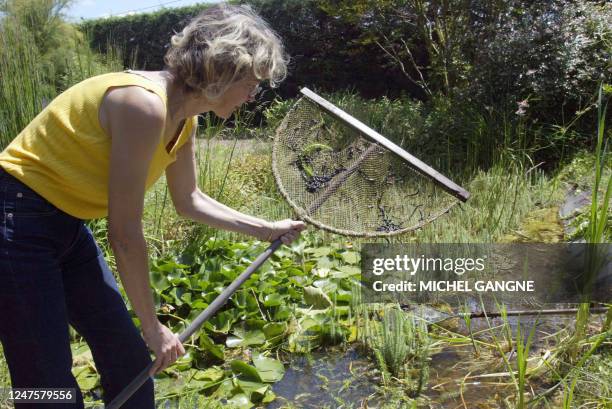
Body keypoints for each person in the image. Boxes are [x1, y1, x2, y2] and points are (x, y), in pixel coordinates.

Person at [0, 4, 305, 408]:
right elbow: (125, 236)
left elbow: (189, 200)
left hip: (66, 224)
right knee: (46, 383)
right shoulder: (142, 104)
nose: (253, 95)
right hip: (15, 221)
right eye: (251, 82)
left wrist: (264, 228)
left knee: (127, 360)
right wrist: (153, 326)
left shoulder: (186, 120)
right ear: (220, 70)